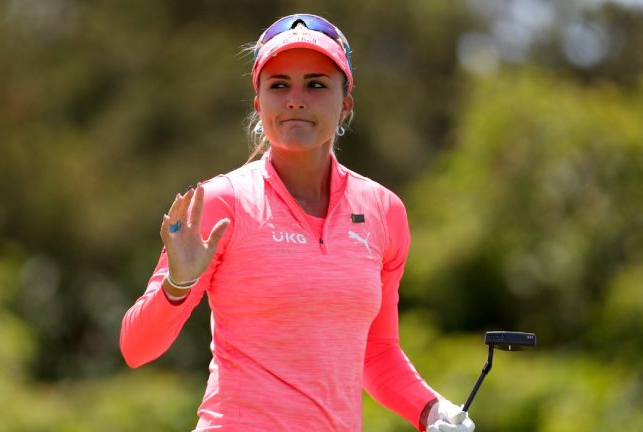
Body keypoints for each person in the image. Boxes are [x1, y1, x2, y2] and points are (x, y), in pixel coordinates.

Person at [120, 13, 476, 432]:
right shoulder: (222, 202)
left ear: (346, 103)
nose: (295, 99)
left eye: (316, 84)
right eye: (278, 85)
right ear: (259, 103)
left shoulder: (384, 211)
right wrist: (176, 286)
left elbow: (376, 352)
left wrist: (431, 409)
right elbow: (136, 348)